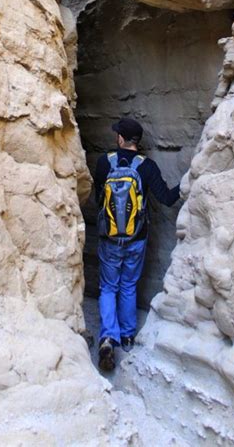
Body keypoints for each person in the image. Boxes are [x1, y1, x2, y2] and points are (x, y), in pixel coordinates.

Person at [94, 117, 180, 371]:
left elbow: (99, 198)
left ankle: (109, 337)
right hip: (136, 238)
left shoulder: (104, 162)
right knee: (128, 285)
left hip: (109, 239)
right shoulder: (147, 166)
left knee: (108, 287)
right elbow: (166, 198)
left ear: (120, 138)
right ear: (137, 142)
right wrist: (188, 182)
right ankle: (128, 335)